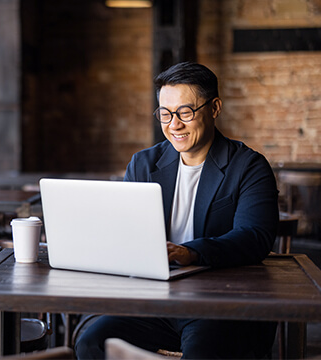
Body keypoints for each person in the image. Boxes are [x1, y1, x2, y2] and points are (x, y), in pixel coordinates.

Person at [74, 62, 279, 359]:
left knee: (202, 351)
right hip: (154, 300)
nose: (174, 125)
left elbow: (254, 237)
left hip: (217, 303)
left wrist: (191, 252)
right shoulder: (143, 164)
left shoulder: (248, 166)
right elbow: (125, 233)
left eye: (185, 112)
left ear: (215, 108)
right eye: (165, 114)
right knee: (92, 342)